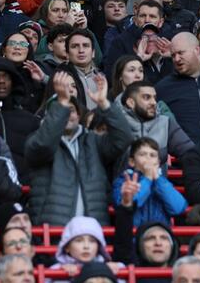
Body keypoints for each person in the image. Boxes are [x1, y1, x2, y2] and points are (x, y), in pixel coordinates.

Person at [24, 71, 132, 225]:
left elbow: (124, 139)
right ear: (51, 115)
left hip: (93, 231)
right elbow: (43, 145)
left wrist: (105, 104)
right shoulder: (35, 140)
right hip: (53, 231)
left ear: (79, 114)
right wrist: (61, 103)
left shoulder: (94, 141)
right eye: (61, 110)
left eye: (71, 110)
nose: (67, 114)